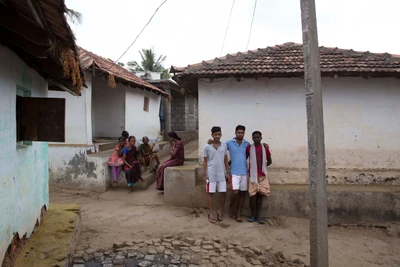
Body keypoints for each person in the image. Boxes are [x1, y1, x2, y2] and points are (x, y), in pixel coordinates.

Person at [202, 126, 230, 223]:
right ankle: (211, 213)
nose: (217, 136)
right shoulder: (207, 147)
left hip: (221, 174)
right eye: (215, 134)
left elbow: (226, 160)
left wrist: (228, 172)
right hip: (211, 174)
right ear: (212, 135)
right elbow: (205, 161)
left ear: (221, 135)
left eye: (219, 134)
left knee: (223, 193)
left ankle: (221, 210)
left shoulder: (224, 146)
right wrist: (204, 174)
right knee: (211, 193)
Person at [225, 125, 250, 222]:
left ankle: (238, 213)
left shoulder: (247, 144)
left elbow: (252, 151)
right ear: (235, 133)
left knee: (242, 194)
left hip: (244, 172)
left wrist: (265, 145)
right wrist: (210, 142)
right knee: (235, 192)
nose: (240, 134)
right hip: (234, 172)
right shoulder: (229, 143)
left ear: (244, 133)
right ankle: (231, 206)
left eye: (242, 132)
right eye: (238, 132)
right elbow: (220, 147)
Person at [246, 131, 272, 224]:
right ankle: (252, 215)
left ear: (261, 138)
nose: (256, 139)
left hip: (262, 176)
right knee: (253, 196)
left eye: (258, 137)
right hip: (252, 176)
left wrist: (262, 168)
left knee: (260, 195)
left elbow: (269, 161)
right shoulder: (249, 148)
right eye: (255, 137)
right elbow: (244, 158)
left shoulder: (265, 148)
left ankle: (258, 216)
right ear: (252, 138)